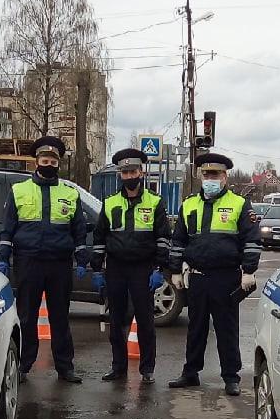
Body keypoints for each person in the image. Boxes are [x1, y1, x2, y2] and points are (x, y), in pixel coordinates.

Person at [168, 148, 261, 396]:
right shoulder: (188, 205)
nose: (210, 178)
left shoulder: (239, 204)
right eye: (206, 174)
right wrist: (175, 270)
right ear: (200, 176)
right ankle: (190, 373)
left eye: (216, 174)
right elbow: (178, 240)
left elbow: (251, 240)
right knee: (195, 327)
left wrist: (249, 271)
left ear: (225, 177)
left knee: (226, 329)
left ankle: (231, 376)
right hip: (197, 276)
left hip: (226, 277)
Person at [0, 135, 88, 384]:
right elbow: (7, 228)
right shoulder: (19, 191)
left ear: (58, 164)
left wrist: (82, 259)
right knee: (27, 316)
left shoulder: (70, 193)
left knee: (60, 317)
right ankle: (24, 366)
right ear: (36, 161)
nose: (48, 163)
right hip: (29, 262)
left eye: (52, 160)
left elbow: (79, 230)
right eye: (44, 159)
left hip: (59, 263)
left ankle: (65, 367)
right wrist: (3, 257)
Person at [90, 146, 170, 384]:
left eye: (133, 171)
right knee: (116, 320)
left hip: (143, 268)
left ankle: (147, 370)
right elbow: (99, 238)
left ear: (141, 173)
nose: (129, 176)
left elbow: (164, 238)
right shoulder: (110, 203)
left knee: (145, 320)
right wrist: (97, 269)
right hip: (116, 268)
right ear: (120, 175)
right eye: (125, 173)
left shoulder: (155, 203)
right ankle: (118, 367)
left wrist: (159, 269)